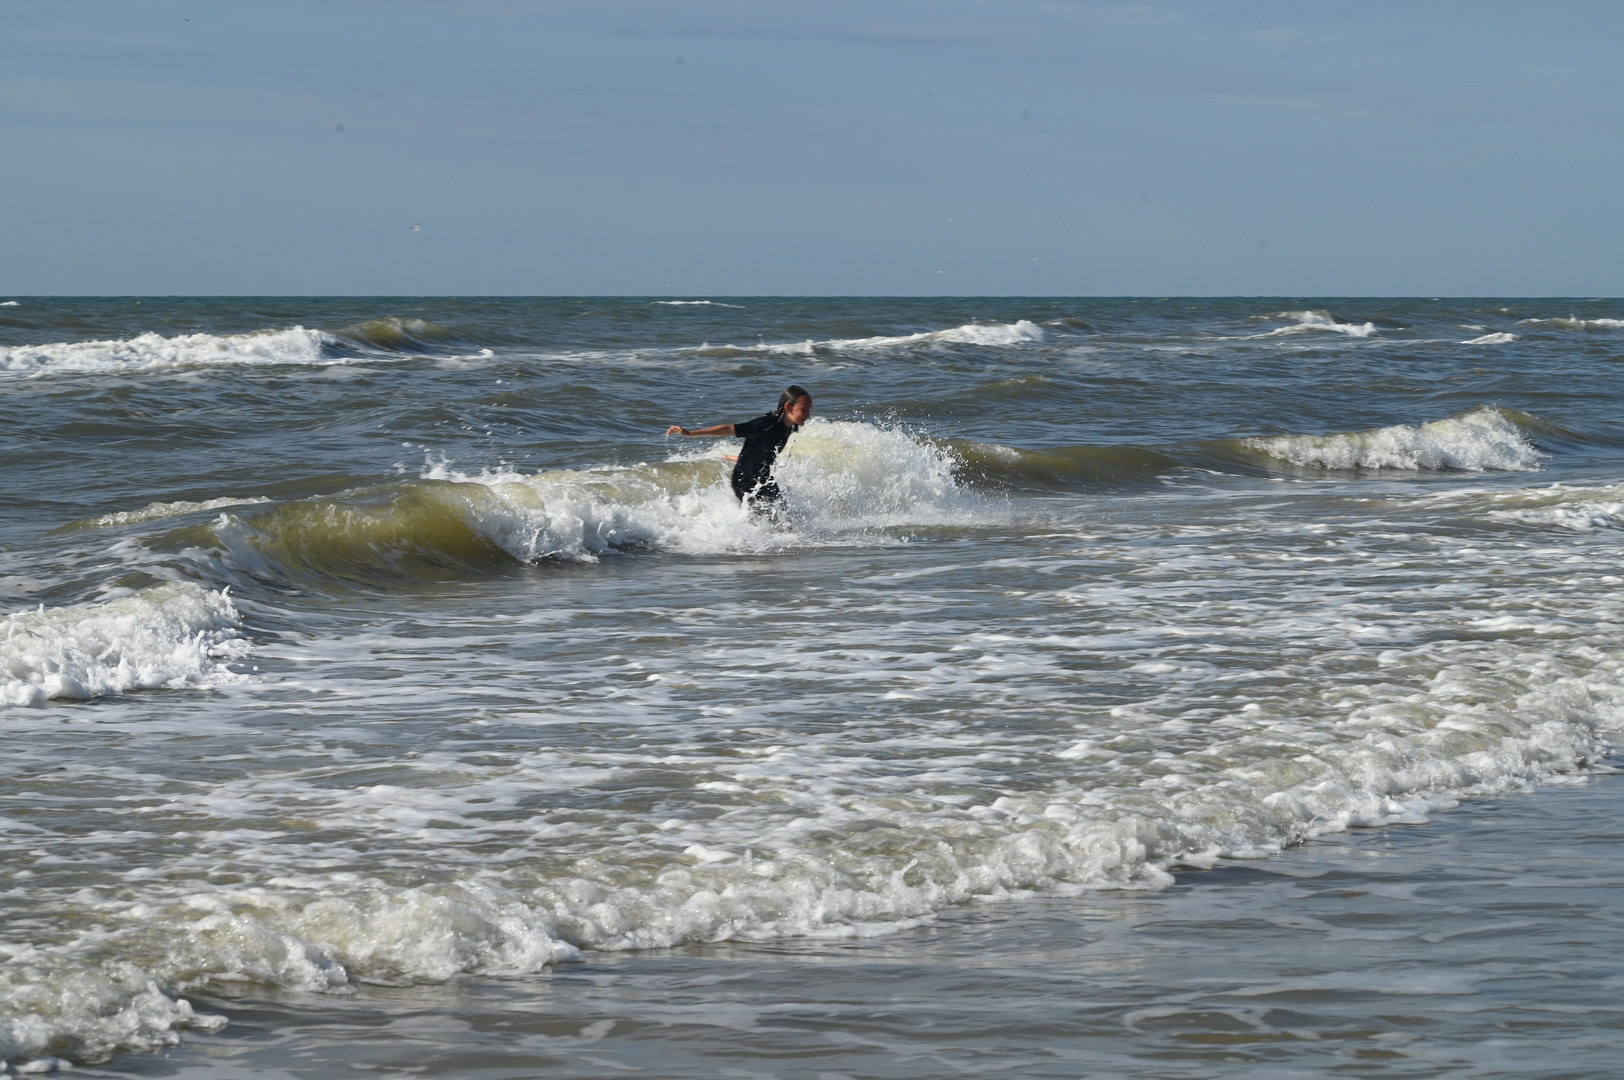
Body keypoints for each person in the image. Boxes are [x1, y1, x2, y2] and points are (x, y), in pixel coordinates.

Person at [666, 385, 812, 511]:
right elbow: (729, 429)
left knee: (785, 518)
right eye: (804, 410)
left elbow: (762, 454)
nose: (808, 415)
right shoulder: (764, 424)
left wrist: (736, 458)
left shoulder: (789, 426)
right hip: (745, 481)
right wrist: (690, 433)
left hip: (765, 478)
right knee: (763, 520)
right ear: (788, 407)